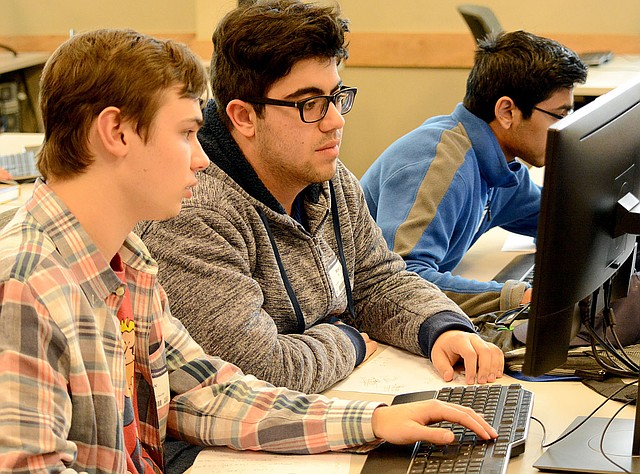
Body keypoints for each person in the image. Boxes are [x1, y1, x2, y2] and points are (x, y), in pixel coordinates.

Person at [0, 28, 498, 473]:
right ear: (117, 133)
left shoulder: (127, 259)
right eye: (186, 134)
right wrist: (351, 347)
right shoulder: (26, 287)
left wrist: (376, 421)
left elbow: (208, 394)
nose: (201, 158)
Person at [137, 0, 504, 395]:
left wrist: (440, 327)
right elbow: (260, 368)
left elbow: (376, 279)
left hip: (324, 404)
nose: (335, 121)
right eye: (309, 104)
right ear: (243, 116)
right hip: (225, 444)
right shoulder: (193, 211)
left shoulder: (325, 175)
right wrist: (349, 339)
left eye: (336, 96)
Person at [360, 31, 587, 317]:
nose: (565, 128)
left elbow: (555, 218)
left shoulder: (499, 166)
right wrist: (519, 296)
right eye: (560, 115)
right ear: (507, 111)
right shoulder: (440, 166)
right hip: (360, 316)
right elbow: (401, 282)